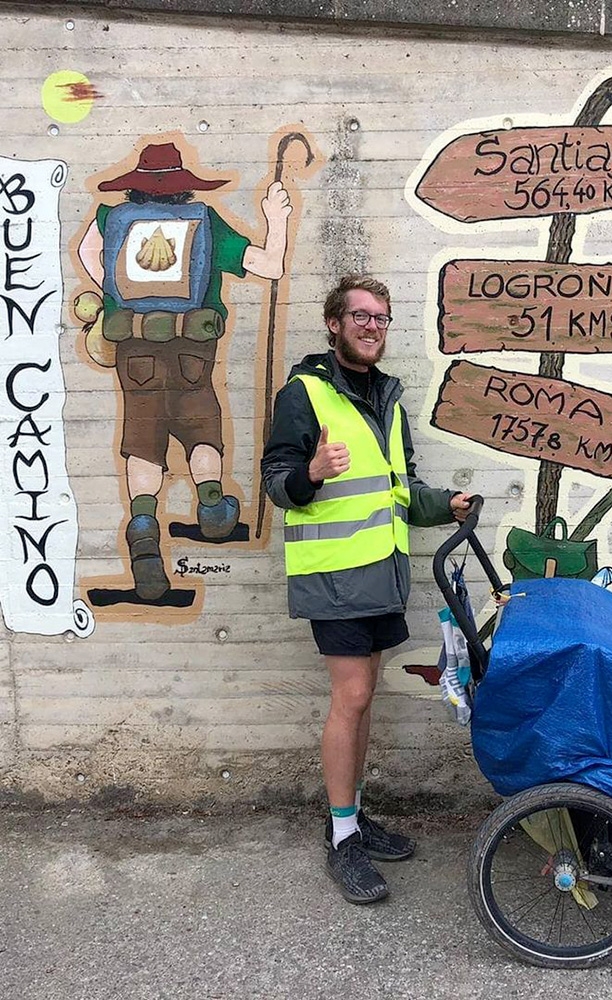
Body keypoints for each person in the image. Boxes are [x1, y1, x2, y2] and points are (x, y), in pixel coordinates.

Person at [261, 274, 471, 904]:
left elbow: (399, 488)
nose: (372, 325)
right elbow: (276, 482)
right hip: (334, 576)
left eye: (382, 316)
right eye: (360, 316)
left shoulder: (388, 398)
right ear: (335, 323)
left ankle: (349, 815)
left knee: (364, 697)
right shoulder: (305, 394)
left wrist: (446, 505)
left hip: (381, 572)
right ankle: (343, 837)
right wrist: (311, 472)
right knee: (351, 697)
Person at [77, 140, 291, 601]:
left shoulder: (111, 219)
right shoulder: (205, 222)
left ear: (136, 186)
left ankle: (143, 530)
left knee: (143, 438)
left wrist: (113, 294)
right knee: (200, 422)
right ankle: (213, 509)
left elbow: (87, 253)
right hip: (193, 348)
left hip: (133, 345)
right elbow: (270, 267)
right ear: (181, 188)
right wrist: (277, 218)